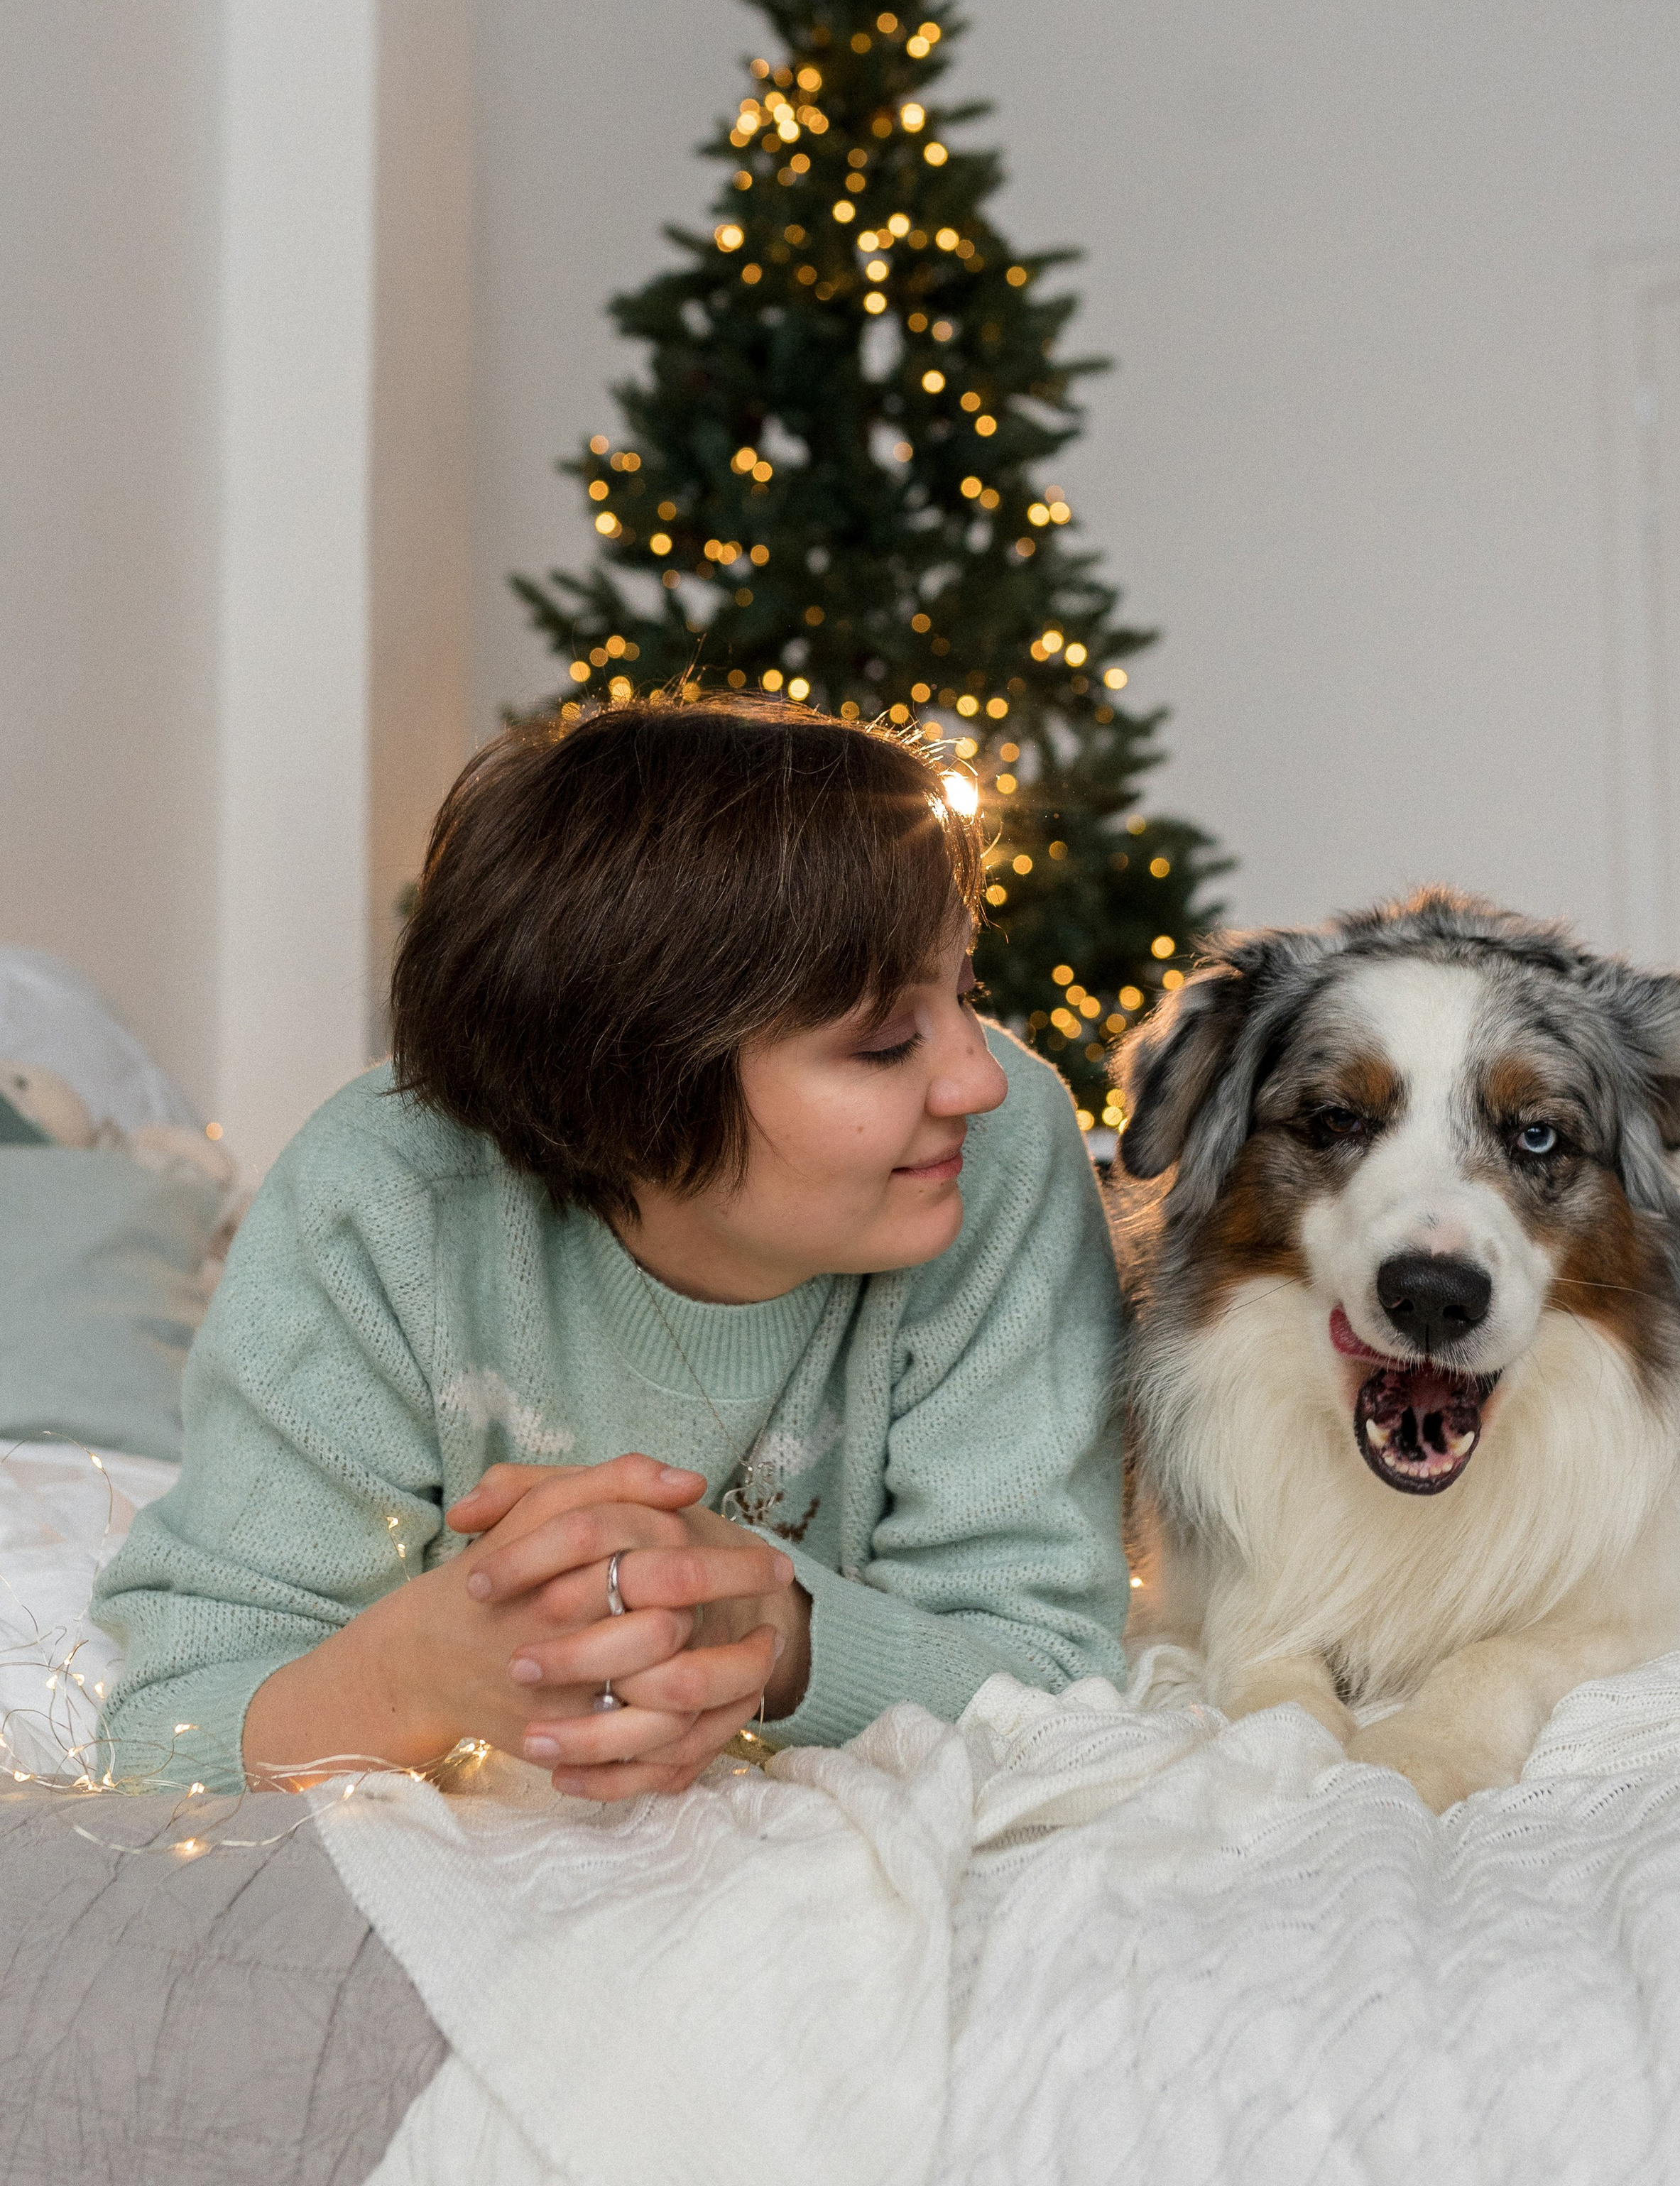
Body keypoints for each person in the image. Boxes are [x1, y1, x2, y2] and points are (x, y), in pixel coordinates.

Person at [93, 700, 1128, 1797]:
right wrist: (417, 1677)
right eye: (882, 1042)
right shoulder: (384, 1199)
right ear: (632, 1080)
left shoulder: (996, 1158)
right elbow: (168, 1726)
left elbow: (1054, 1681)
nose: (979, 1079)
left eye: (967, 993)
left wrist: (766, 1620)